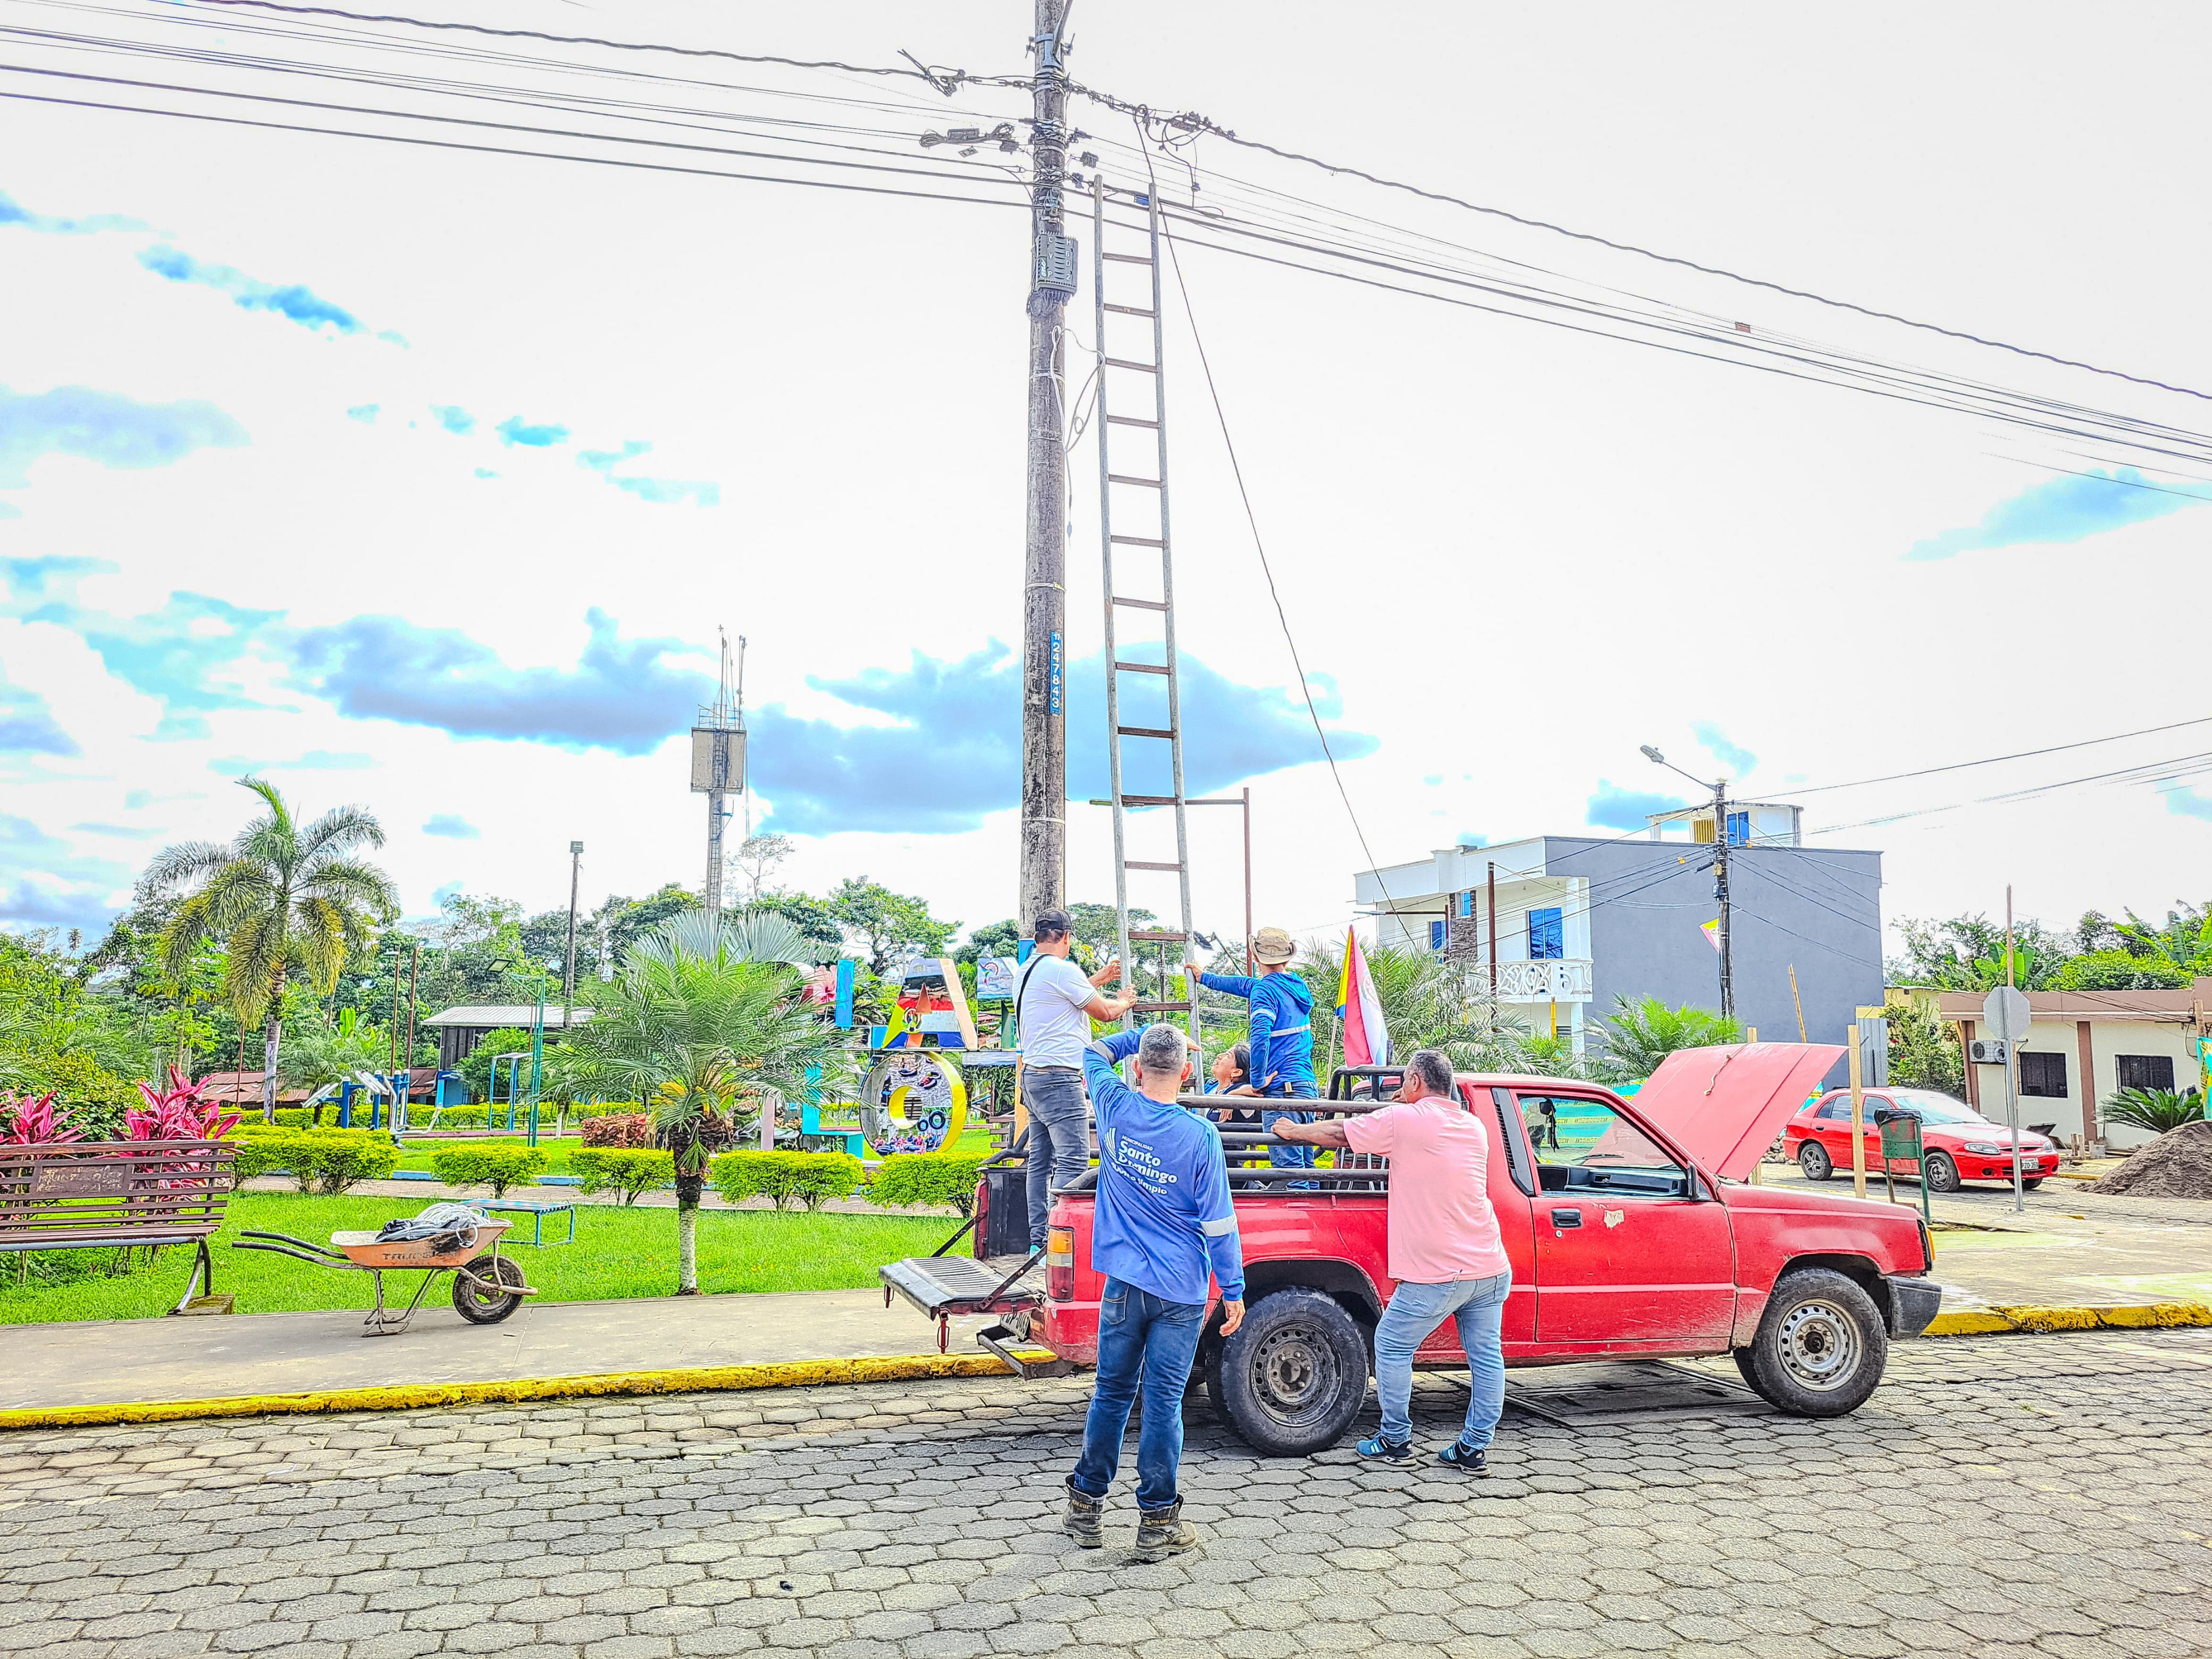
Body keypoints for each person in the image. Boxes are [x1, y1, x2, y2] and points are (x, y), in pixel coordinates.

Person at [1274, 1046, 1510, 1472]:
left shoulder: (1404, 1120)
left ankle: (1395, 1440)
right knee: (1486, 1357)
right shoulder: (1472, 1125)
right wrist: (1405, 1105)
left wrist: (1294, 1131)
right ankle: (1474, 1448)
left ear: (1415, 1082)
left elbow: (1341, 1133)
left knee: (1392, 1345)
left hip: (1439, 1271)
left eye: (1405, 1082)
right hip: (1490, 1266)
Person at [1063, 1023, 1246, 1559]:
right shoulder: (1200, 1136)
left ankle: (1085, 1511)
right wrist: (1233, 1289)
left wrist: (1140, 1033)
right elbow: (1219, 1223)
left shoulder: (1114, 1105)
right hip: (1181, 1291)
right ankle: (1157, 1524)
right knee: (1163, 1402)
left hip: (1124, 1285)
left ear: (1139, 1068)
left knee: (1112, 1394)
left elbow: (1092, 1052)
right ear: (1187, 1073)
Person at [1013, 909, 1141, 1253]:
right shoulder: (1063, 970)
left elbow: (1060, 996)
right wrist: (1124, 1002)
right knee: (1073, 1160)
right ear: (1067, 937)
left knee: (1040, 1162)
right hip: (1059, 1078)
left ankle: (1038, 1242)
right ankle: (1060, 1244)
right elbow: (1105, 1012)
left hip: (1034, 1076)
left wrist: (1097, 980)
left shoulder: (1027, 970)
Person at [1191, 926, 1316, 1170]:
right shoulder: (1296, 986)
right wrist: (1206, 978)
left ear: (1256, 957)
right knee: (1306, 1166)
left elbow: (1260, 1038)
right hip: (1305, 1086)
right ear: (1287, 958)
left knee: (1289, 1170)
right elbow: (1245, 985)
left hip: (1282, 1091)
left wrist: (1257, 1081)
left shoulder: (1265, 991)